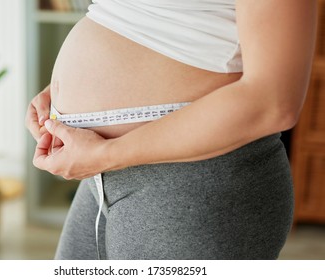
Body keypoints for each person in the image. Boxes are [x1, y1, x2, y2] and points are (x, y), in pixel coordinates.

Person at [25, 0, 317, 260]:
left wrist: (108, 152)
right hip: (102, 178)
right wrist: (64, 93)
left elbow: (274, 102)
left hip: (196, 183)